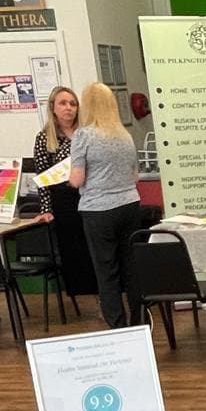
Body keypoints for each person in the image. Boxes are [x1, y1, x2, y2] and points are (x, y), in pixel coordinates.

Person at [68, 81, 142, 328]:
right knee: (132, 268)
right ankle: (140, 320)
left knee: (106, 271)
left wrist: (69, 180)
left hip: (98, 210)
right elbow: (135, 177)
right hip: (130, 205)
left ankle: (118, 326)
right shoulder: (125, 135)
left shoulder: (83, 135)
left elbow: (77, 178)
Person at [32, 85, 79, 172]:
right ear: (52, 107)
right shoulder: (44, 137)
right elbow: (42, 174)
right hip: (56, 184)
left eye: (73, 104)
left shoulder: (86, 133)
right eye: (63, 103)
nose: (69, 108)